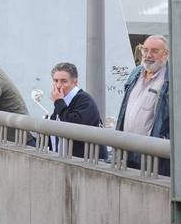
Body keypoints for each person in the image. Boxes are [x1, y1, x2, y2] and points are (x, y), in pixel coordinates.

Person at [116, 34, 171, 173]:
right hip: (127, 150)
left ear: (166, 53)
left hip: (150, 153)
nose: (148, 55)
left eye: (154, 51)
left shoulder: (170, 80)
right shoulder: (135, 73)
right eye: (145, 50)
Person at [46, 62, 104, 159]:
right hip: (65, 158)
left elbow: (73, 125)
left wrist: (59, 102)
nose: (59, 85)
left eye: (64, 81)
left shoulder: (84, 100)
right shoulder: (62, 100)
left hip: (87, 161)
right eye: (56, 81)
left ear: (75, 82)